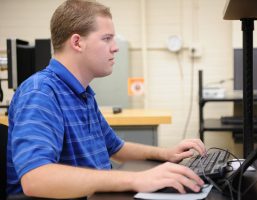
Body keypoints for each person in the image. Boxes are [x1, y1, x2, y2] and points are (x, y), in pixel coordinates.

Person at [6, 0, 206, 199]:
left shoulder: (82, 93)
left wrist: (167, 154)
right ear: (77, 42)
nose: (115, 47)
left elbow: (116, 148)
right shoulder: (40, 92)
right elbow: (36, 178)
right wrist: (135, 179)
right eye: (107, 38)